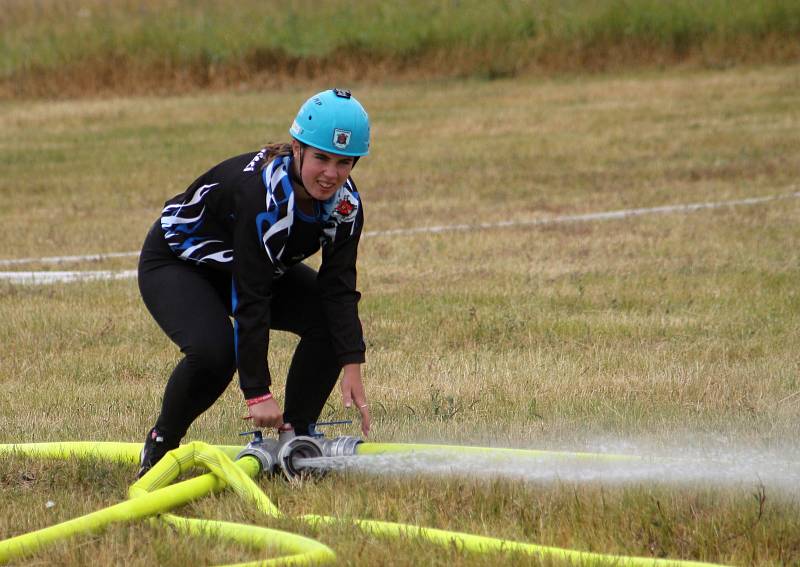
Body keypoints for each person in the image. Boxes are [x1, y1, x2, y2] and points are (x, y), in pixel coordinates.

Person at [135, 88, 371, 478]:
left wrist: (351, 361)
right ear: (297, 148)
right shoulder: (264, 196)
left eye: (344, 162)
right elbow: (252, 297)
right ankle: (161, 445)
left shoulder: (346, 206)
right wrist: (257, 392)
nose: (331, 174)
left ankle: (295, 438)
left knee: (326, 317)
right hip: (180, 263)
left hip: (250, 266)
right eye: (321, 158)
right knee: (214, 354)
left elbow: (339, 287)